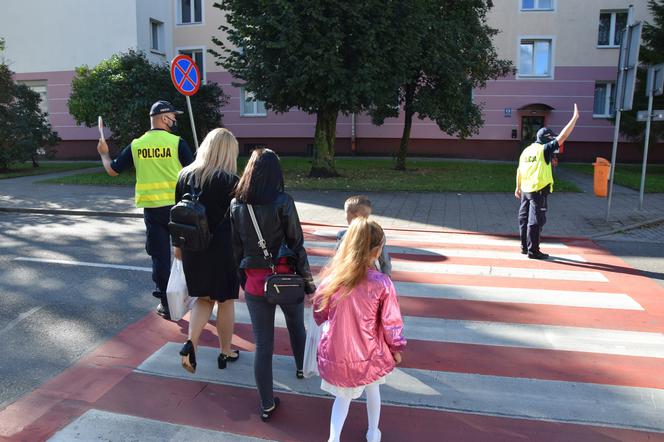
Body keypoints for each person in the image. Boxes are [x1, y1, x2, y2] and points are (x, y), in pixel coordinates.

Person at [230, 148, 315, 422]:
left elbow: (236, 250)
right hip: (286, 278)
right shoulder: (283, 201)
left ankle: (267, 403)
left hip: (256, 283)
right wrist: (308, 282)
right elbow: (296, 244)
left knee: (263, 345)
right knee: (296, 326)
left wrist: (242, 278)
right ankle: (302, 368)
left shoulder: (236, 205)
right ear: (276, 172)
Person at [97, 101, 193, 319]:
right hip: (178, 208)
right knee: (187, 252)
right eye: (172, 116)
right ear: (162, 118)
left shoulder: (137, 145)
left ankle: (166, 305)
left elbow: (112, 170)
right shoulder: (177, 143)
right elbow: (194, 172)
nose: (175, 119)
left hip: (153, 210)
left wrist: (104, 153)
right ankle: (194, 297)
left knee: (160, 257)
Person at [314, 217, 406, 442]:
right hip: (370, 352)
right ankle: (373, 432)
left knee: (342, 398)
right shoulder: (381, 283)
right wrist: (396, 347)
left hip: (339, 352)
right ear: (376, 251)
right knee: (373, 389)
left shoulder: (332, 280)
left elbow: (319, 314)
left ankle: (334, 438)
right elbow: (391, 322)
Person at [174, 128, 240, 373]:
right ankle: (225, 351)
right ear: (228, 152)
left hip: (192, 247)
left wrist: (177, 248)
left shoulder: (184, 175)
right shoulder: (230, 181)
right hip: (223, 249)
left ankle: (191, 343)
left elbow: (177, 213)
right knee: (225, 300)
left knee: (203, 298)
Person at [515, 104, 580, 260]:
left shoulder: (527, 150)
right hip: (538, 190)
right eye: (552, 138)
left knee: (523, 218)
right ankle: (533, 251)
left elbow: (519, 170)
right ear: (547, 139)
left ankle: (524, 247)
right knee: (536, 221)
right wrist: (574, 119)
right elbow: (562, 137)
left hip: (526, 189)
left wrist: (517, 187)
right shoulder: (544, 149)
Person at [336, 195, 391, 276]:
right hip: (371, 273)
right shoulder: (376, 233)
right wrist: (386, 276)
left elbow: (338, 258)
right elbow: (384, 259)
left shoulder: (343, 235)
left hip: (349, 274)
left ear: (352, 215)